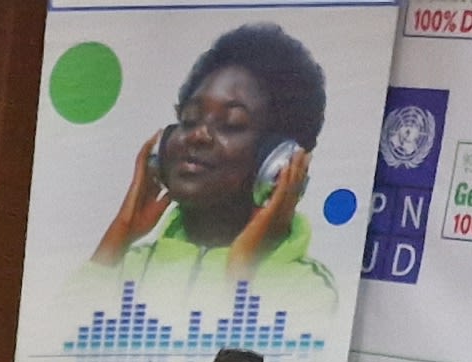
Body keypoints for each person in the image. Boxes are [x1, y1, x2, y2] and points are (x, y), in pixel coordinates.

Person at [80, 21, 333, 296]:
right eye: (189, 119)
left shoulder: (307, 287)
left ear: (278, 162)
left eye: (232, 123)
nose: (198, 135)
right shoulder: (127, 267)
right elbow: (65, 330)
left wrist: (243, 270)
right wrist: (121, 232)